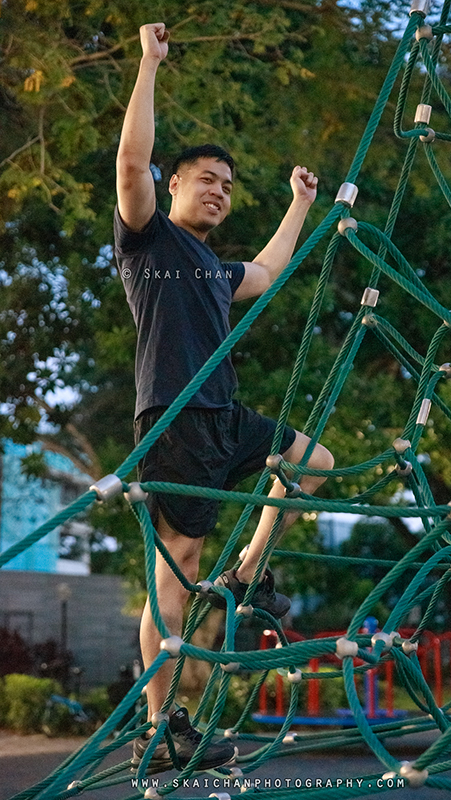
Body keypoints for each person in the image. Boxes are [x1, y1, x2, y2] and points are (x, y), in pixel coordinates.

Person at [115, 22, 334, 774]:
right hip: (173, 415)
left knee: (312, 461)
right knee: (175, 563)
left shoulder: (211, 269)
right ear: (174, 184)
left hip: (227, 414)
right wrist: (149, 63)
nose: (219, 191)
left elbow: (268, 275)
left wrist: (300, 204)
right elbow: (130, 160)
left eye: (228, 186)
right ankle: (160, 723)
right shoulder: (148, 241)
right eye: (207, 178)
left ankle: (246, 573)